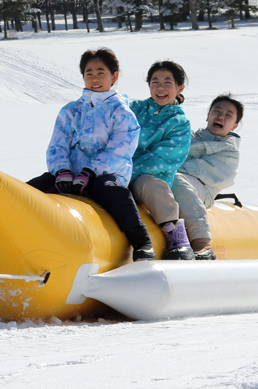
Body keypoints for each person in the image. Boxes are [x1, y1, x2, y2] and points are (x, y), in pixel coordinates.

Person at [28, 47, 156, 261]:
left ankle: (141, 240)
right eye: (89, 73)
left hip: (105, 174)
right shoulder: (70, 110)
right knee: (34, 188)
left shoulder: (122, 112)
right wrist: (62, 172)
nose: (94, 79)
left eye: (100, 72)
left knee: (110, 190)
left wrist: (90, 172)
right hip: (69, 175)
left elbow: (120, 150)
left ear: (114, 76)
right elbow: (58, 145)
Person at [129, 61, 194, 260]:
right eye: (155, 82)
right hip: (116, 172)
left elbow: (162, 160)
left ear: (179, 87)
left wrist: (126, 172)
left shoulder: (179, 123)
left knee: (151, 184)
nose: (160, 87)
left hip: (145, 178)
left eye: (167, 82)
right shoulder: (134, 109)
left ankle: (173, 232)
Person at [171, 94, 243, 261]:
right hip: (172, 182)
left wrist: (168, 168)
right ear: (208, 115)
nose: (220, 117)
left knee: (177, 180)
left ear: (235, 125)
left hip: (200, 192)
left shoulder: (229, 151)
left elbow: (201, 171)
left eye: (228, 115)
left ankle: (201, 241)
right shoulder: (188, 136)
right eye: (216, 111)